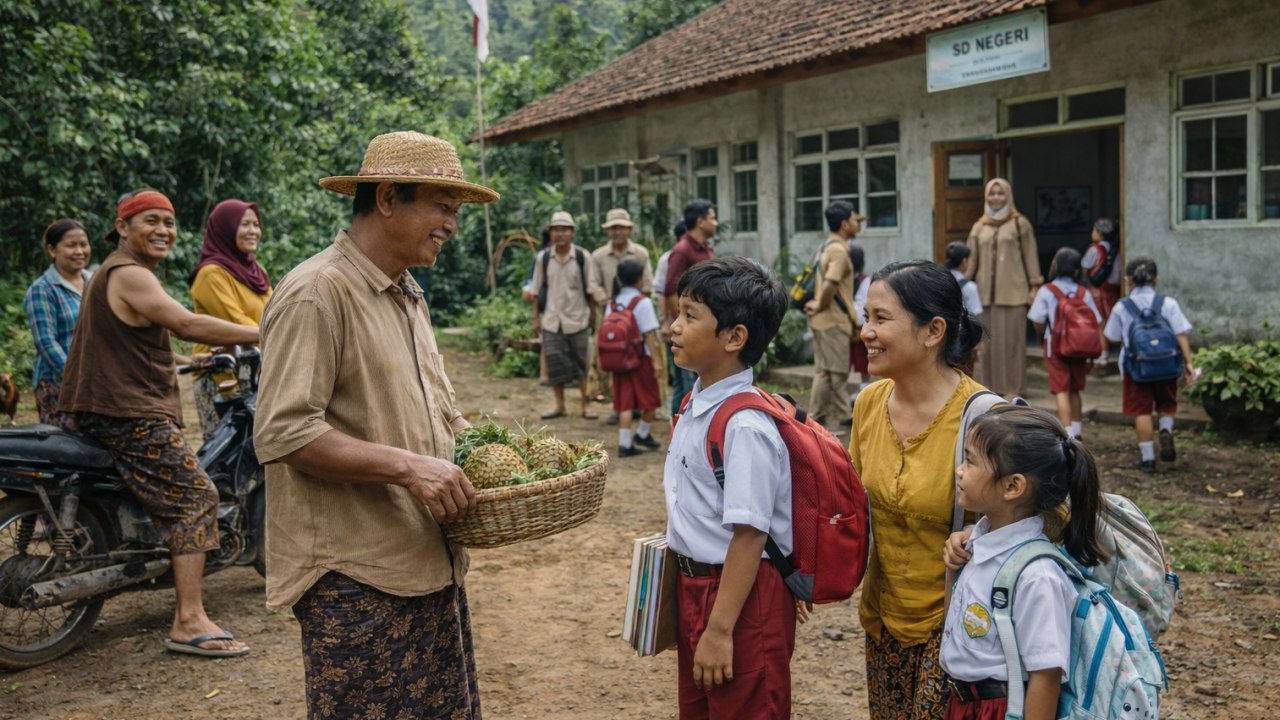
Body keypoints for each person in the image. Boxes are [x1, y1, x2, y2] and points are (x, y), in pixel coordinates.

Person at [254, 131, 495, 719]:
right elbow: (284, 430)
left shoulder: (408, 293)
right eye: (442, 207)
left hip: (423, 557)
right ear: (388, 198)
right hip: (356, 577)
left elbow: (439, 408)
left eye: (456, 211)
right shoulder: (317, 293)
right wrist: (410, 467)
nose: (452, 225)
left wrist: (493, 458)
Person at [60, 188, 260, 657]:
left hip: (109, 406)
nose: (163, 231)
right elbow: (186, 321)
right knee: (196, 496)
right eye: (150, 221)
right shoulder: (129, 273)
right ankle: (189, 620)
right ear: (122, 227)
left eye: (169, 223)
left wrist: (189, 363)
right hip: (129, 412)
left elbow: (128, 341)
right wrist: (267, 330)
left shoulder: (110, 273)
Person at [846, 259, 986, 720]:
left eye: (881, 318)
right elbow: (850, 506)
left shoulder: (983, 418)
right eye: (866, 317)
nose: (866, 331)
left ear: (933, 331)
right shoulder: (869, 403)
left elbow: (1041, 514)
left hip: (957, 623)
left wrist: (979, 536)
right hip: (882, 620)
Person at [665, 256, 796, 719]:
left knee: (745, 706)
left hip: (738, 598)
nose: (674, 326)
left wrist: (720, 631)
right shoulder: (694, 402)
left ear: (734, 337)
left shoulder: (745, 426)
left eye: (689, 315)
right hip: (699, 589)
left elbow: (750, 534)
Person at [940, 406, 1106, 720]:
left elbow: (1046, 677)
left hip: (1001, 710)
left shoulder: (1037, 577)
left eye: (971, 461)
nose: (960, 470)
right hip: (964, 704)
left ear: (1013, 487)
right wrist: (954, 569)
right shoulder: (979, 543)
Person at [187, 199, 273, 441]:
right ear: (225, 228)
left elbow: (274, 312)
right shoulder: (210, 273)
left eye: (256, 224)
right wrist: (282, 335)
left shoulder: (257, 272)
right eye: (244, 224)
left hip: (255, 375)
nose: (253, 231)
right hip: (222, 377)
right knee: (227, 460)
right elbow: (238, 322)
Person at [1102, 257, 1194, 473]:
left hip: (1136, 367)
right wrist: (1188, 363)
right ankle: (1166, 429)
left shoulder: (1121, 307)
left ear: (1127, 280)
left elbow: (1113, 337)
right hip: (1167, 365)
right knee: (1167, 403)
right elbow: (1180, 335)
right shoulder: (1168, 303)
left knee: (1141, 410)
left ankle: (1148, 459)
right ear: (1156, 280)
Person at [965, 178, 1042, 399]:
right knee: (987, 345)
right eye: (992, 193)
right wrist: (958, 285)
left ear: (1008, 196)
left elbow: (1030, 256)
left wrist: (1035, 286)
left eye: (1000, 194)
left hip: (1014, 295)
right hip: (984, 297)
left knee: (1012, 345)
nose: (996, 198)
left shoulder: (1020, 223)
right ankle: (988, 388)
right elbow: (971, 261)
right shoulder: (979, 226)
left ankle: (1014, 389)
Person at [23, 219, 92, 428]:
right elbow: (46, 343)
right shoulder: (42, 290)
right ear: (52, 250)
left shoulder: (95, 282)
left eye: (84, 244)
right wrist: (77, 378)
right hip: (58, 384)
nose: (79, 251)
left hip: (95, 380)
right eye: (71, 245)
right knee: (65, 445)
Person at [1027, 247, 1102, 440]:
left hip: (1055, 345)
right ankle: (1077, 432)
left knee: (1061, 389)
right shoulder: (1083, 292)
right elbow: (1096, 320)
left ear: (1055, 266)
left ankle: (1067, 434)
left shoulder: (1046, 291)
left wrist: (1041, 334)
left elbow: (1036, 318)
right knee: (1075, 389)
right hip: (1079, 347)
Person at [532, 210, 600, 419]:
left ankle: (586, 404)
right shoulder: (543, 258)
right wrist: (536, 317)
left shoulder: (582, 256)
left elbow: (590, 288)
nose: (560, 234)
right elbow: (536, 290)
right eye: (555, 230)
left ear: (572, 232)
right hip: (552, 320)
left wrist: (593, 315)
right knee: (555, 364)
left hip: (577, 319)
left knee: (581, 364)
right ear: (550, 233)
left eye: (564, 229)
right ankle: (559, 405)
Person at [590, 208, 654, 425]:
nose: (618, 231)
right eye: (614, 227)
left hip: (635, 319)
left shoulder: (641, 254)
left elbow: (647, 284)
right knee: (613, 359)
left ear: (630, 229)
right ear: (608, 230)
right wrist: (610, 304)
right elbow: (593, 284)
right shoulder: (598, 256)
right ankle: (618, 407)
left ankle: (635, 405)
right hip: (609, 318)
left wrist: (632, 307)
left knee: (637, 359)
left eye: (622, 227)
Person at [804, 200, 858, 430]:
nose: (858, 223)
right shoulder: (839, 251)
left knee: (826, 371)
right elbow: (831, 283)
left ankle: (829, 416)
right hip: (832, 320)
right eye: (855, 219)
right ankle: (824, 417)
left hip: (822, 321)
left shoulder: (825, 246)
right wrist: (820, 304)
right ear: (845, 224)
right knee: (835, 373)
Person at [664, 200, 718, 409]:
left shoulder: (707, 248)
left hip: (702, 325)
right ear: (700, 221)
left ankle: (676, 429)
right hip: (691, 329)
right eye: (712, 218)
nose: (716, 223)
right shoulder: (682, 250)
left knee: (682, 384)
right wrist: (684, 323)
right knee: (689, 384)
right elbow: (670, 290)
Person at [606, 260, 663, 457]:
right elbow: (648, 335)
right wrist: (656, 361)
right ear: (639, 279)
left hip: (619, 360)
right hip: (641, 359)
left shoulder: (612, 303)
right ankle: (642, 434)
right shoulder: (643, 302)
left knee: (624, 402)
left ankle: (625, 443)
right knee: (651, 400)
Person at [656, 221, 688, 416]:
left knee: (684, 377)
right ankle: (678, 419)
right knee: (681, 377)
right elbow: (661, 291)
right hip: (675, 324)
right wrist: (666, 320)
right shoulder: (668, 259)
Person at [1082, 217, 1123, 369]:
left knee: (1099, 322)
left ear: (1099, 233)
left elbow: (1085, 265)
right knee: (1111, 320)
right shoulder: (1117, 250)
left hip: (1097, 290)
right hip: (1113, 290)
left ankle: (1103, 353)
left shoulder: (1095, 249)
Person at [848, 242, 873, 405]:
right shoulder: (866, 281)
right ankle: (864, 388)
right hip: (859, 326)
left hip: (847, 326)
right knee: (863, 361)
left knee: (857, 360)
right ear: (862, 263)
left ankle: (863, 390)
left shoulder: (842, 281)